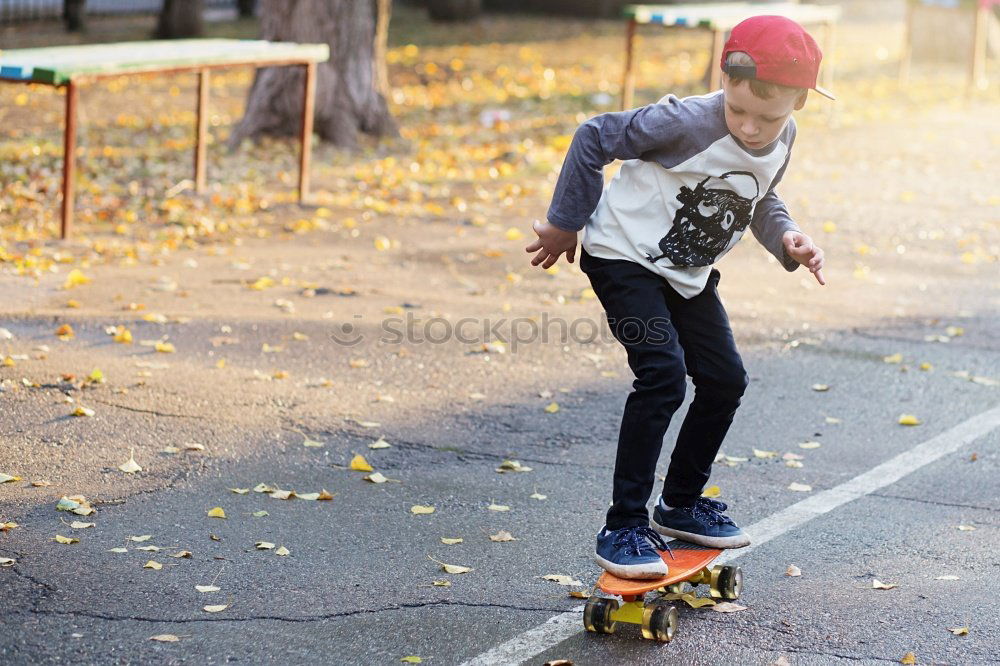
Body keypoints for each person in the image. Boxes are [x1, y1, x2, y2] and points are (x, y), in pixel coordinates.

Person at [525, 15, 830, 579]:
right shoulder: (686, 121)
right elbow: (595, 136)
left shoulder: (781, 138)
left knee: (725, 379)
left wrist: (787, 238)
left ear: (799, 104)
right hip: (622, 255)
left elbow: (759, 196)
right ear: (724, 81)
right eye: (738, 110)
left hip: (686, 271)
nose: (751, 128)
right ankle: (623, 525)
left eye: (769, 117)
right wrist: (566, 220)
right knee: (663, 375)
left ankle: (681, 503)